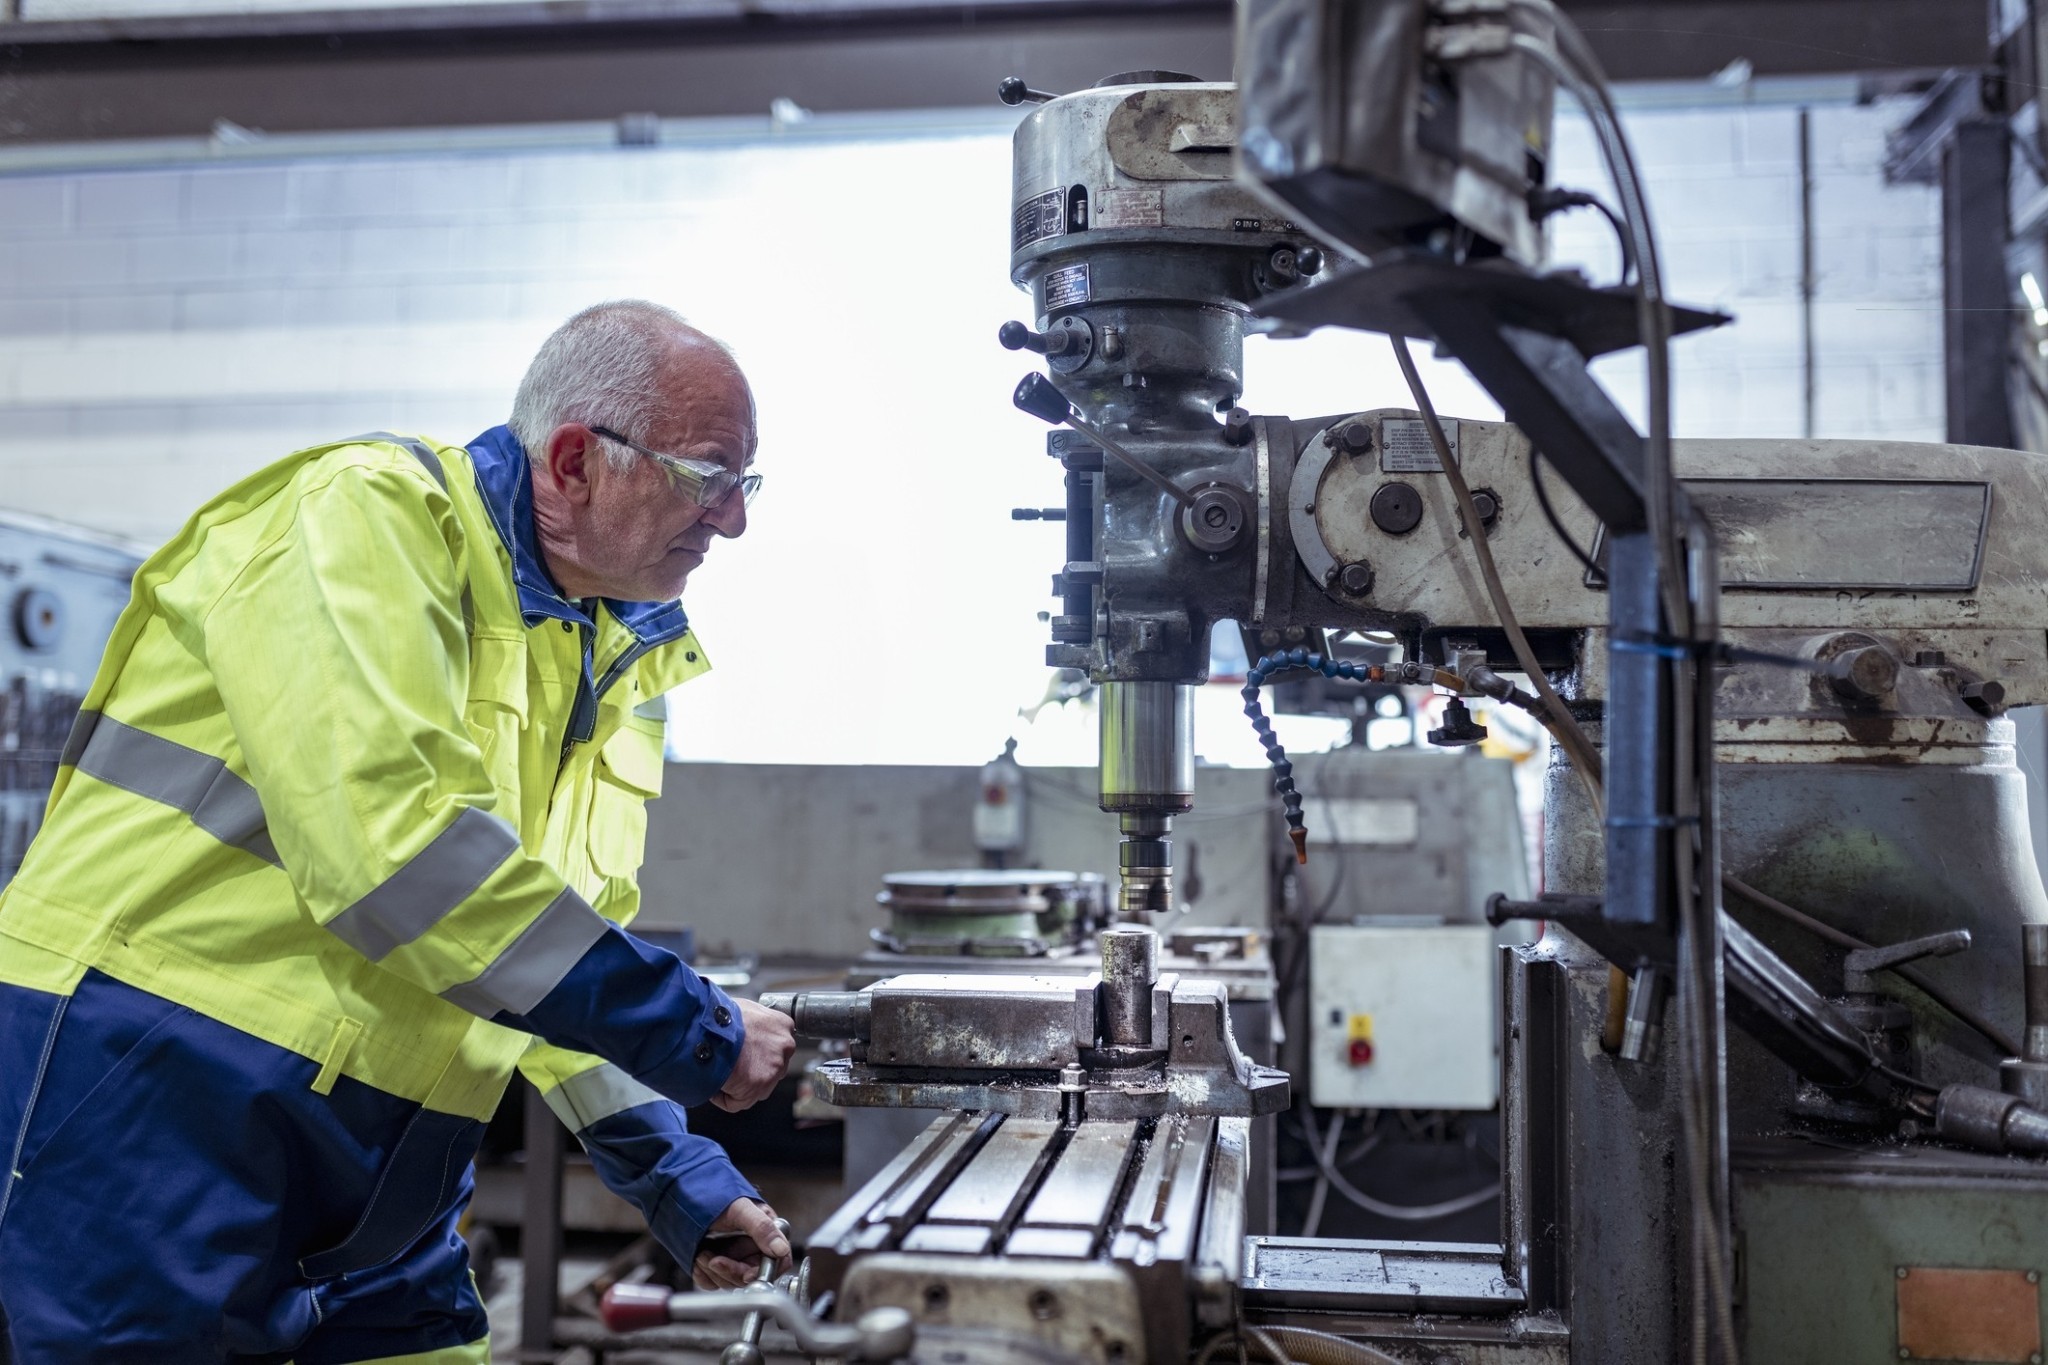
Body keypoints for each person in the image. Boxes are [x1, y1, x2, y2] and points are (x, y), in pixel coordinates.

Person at [0, 300, 797, 1364]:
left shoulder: (612, 653)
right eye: (708, 476)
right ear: (574, 461)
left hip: (397, 1158)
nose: (733, 519)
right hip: (160, 1098)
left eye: (746, 482)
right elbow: (399, 860)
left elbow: (546, 952)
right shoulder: (365, 519)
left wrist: (679, 1176)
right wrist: (696, 1024)